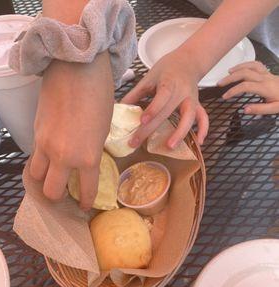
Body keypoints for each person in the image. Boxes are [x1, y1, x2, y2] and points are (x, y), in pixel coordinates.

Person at [30, 0, 279, 209]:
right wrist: (73, 37)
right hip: (162, 16)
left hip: (254, 44)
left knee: (203, 156)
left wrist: (192, 58)